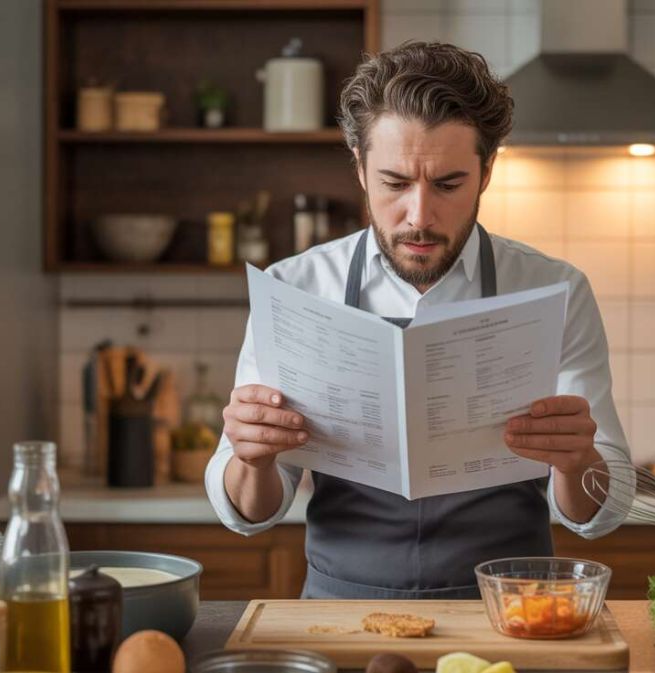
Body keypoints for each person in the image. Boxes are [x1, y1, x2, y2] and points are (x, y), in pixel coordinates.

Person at [205, 41, 631, 599]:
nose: (420, 216)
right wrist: (252, 458)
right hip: (340, 614)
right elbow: (250, 512)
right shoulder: (295, 289)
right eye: (395, 183)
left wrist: (578, 463)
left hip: (512, 616)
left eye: (448, 184)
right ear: (359, 168)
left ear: (487, 172)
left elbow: (602, 510)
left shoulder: (555, 290)